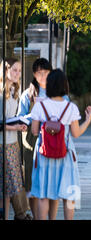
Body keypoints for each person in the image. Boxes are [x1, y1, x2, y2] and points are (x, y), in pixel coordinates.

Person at [30, 69, 91, 220]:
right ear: (64, 85)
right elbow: (76, 133)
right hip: (66, 154)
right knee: (70, 194)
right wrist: (88, 119)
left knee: (43, 195)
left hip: (44, 154)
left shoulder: (40, 106)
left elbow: (33, 131)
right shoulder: (70, 107)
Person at [15, 58, 53, 219]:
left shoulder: (55, 91)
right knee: (31, 180)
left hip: (51, 140)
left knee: (49, 181)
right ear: (34, 74)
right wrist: (35, 113)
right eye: (39, 73)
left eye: (45, 72)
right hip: (31, 140)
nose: (42, 76)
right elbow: (19, 118)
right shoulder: (28, 94)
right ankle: (37, 216)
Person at [0, 58, 28, 220]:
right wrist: (15, 127)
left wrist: (20, 124)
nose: (18, 73)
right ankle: (19, 215)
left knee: (14, 183)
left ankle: (20, 214)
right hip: (2, 145)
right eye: (15, 70)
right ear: (6, 71)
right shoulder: (1, 95)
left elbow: (11, 118)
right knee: (6, 184)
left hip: (13, 144)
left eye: (19, 70)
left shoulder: (14, 92)